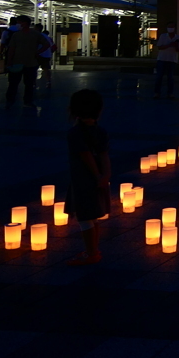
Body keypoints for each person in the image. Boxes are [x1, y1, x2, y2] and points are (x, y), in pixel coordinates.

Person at [65, 89, 110, 266]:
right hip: (98, 178)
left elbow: (85, 156)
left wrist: (97, 175)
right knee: (93, 215)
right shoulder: (101, 131)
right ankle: (93, 250)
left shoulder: (75, 133)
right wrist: (106, 175)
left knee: (84, 216)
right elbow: (104, 154)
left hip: (83, 178)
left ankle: (91, 253)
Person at [3, 15, 49, 108]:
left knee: (15, 83)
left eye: (19, 22)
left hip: (19, 63)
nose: (18, 24)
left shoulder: (18, 34)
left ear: (24, 23)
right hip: (30, 63)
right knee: (27, 83)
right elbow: (46, 44)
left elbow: (12, 49)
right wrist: (37, 53)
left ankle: (11, 101)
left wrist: (9, 61)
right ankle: (26, 101)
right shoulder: (34, 34)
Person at [154, 20, 179, 99]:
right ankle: (157, 93)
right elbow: (159, 47)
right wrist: (169, 45)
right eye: (169, 27)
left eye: (172, 27)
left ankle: (170, 93)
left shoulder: (178, 37)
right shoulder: (163, 36)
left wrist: (175, 45)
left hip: (172, 60)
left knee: (170, 77)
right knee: (159, 77)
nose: (170, 28)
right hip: (162, 59)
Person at [35, 24, 56, 88]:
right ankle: (48, 81)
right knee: (46, 69)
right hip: (46, 55)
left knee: (34, 68)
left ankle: (33, 82)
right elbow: (53, 46)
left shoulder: (37, 36)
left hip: (38, 55)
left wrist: (38, 52)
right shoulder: (48, 37)